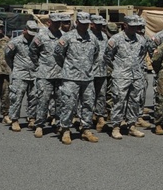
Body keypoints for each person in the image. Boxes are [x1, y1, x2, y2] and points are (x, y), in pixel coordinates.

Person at [54, 12, 101, 144]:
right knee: (68, 104)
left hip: (87, 77)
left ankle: (86, 129)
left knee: (88, 104)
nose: (84, 26)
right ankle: (66, 129)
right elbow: (57, 54)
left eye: (87, 24)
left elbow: (96, 55)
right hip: (70, 77)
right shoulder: (67, 37)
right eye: (82, 23)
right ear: (77, 22)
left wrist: (89, 68)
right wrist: (67, 67)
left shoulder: (93, 38)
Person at [105, 14, 150, 139]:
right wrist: (117, 68)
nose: (135, 29)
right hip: (121, 76)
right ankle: (116, 127)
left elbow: (143, 55)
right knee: (118, 101)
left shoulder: (141, 40)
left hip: (136, 76)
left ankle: (132, 126)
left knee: (134, 101)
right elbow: (107, 57)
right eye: (132, 26)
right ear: (125, 25)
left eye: (136, 27)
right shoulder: (115, 39)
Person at [30, 13, 65, 138]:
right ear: (49, 22)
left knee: (61, 100)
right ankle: (39, 125)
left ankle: (60, 124)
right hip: (45, 74)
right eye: (54, 22)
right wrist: (38, 65)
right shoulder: (41, 36)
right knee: (43, 100)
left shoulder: (64, 36)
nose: (57, 24)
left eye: (58, 22)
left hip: (60, 74)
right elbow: (32, 51)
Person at [5, 20, 38, 132]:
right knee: (16, 98)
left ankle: (32, 118)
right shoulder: (15, 42)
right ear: (24, 30)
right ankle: (14, 120)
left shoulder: (37, 41)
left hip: (34, 74)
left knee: (34, 97)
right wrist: (15, 68)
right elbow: (8, 56)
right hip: (20, 74)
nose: (32, 35)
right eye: (30, 32)